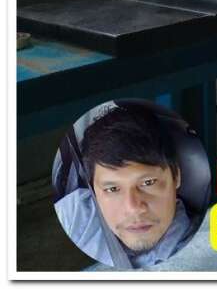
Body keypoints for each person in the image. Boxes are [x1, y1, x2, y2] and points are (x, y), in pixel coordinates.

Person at [55, 105, 193, 268]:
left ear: (176, 177)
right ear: (93, 191)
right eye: (112, 189)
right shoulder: (74, 217)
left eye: (148, 183)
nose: (133, 208)